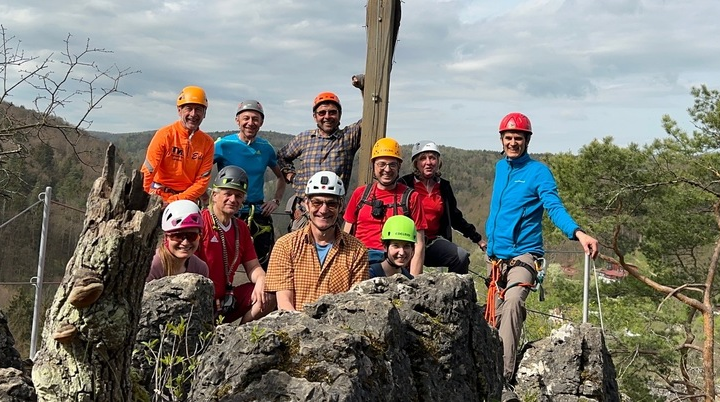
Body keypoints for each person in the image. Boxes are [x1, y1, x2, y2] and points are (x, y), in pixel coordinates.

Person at [484, 112, 599, 401]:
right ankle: (487, 372)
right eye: (508, 138)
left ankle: (502, 379)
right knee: (492, 319)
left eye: (518, 138)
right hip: (496, 258)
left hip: (524, 255)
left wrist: (578, 233)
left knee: (512, 306)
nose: (513, 142)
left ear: (526, 141)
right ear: (502, 140)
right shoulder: (500, 168)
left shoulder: (538, 173)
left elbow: (554, 207)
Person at [265, 171, 369, 311]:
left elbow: (356, 304)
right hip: (294, 327)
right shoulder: (285, 246)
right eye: (317, 202)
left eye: (331, 204)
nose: (323, 210)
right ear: (306, 205)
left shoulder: (357, 250)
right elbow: (285, 304)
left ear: (341, 206)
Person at [277, 75, 364, 231]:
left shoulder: (348, 137)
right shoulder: (304, 138)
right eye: (322, 113)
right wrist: (291, 176)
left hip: (332, 214)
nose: (327, 117)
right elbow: (282, 157)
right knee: (298, 251)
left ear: (339, 115)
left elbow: (370, 119)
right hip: (304, 213)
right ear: (315, 116)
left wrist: (364, 88)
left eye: (332, 112)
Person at [195, 165, 276, 324]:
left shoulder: (241, 228)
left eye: (238, 196)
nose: (233, 200)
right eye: (228, 194)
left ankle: (239, 338)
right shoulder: (200, 222)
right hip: (198, 299)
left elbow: (253, 266)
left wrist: (262, 280)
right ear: (215, 195)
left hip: (226, 300)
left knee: (268, 295)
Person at [214, 100, 285, 269]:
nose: (250, 123)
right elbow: (200, 171)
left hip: (257, 211)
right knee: (220, 260)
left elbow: (281, 178)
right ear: (237, 120)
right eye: (246, 118)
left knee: (265, 263)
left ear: (261, 122)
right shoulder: (223, 145)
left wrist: (275, 201)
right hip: (228, 210)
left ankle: (260, 294)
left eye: (255, 119)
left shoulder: (265, 148)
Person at [342, 137, 428, 276]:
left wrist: (414, 282)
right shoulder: (360, 194)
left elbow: (419, 243)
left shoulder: (411, 197)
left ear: (399, 166)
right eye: (381, 164)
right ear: (373, 166)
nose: (387, 169)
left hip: (394, 261)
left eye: (392, 165)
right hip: (361, 260)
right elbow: (345, 235)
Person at [398, 141, 485, 274]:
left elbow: (455, 217)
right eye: (423, 158)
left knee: (460, 257)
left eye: (432, 158)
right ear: (416, 163)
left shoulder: (443, 187)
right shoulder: (405, 184)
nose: (428, 162)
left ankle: (455, 292)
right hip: (407, 242)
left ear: (438, 162)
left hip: (432, 242)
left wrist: (477, 239)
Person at [141, 85, 215, 204]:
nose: (193, 114)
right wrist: (143, 198)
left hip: (187, 200)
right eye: (188, 108)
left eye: (198, 109)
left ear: (204, 113)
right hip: (158, 196)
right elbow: (148, 171)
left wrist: (175, 200)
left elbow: (202, 182)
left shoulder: (207, 143)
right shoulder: (165, 135)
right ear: (179, 110)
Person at [146, 200, 209, 282]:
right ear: (166, 237)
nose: (185, 242)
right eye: (177, 236)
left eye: (192, 236)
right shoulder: (152, 266)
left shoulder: (200, 268)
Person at [369, 215, 415, 280]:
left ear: (412, 249)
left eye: (406, 246)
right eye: (396, 246)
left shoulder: (409, 279)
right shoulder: (370, 275)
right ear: (385, 247)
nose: (401, 252)